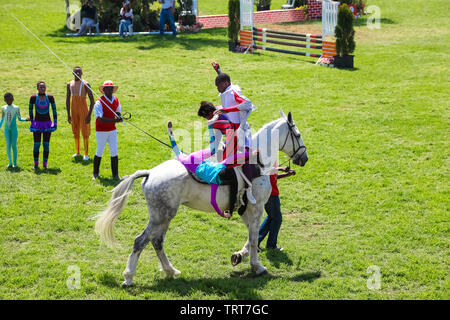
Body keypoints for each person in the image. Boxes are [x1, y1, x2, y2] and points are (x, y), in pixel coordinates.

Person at [167, 120, 250, 219]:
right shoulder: (216, 177)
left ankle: (210, 126)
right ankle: (210, 126)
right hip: (193, 158)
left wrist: (222, 214)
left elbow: (213, 202)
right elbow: (175, 148)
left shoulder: (217, 175)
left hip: (194, 159)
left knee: (213, 150)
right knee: (212, 150)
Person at [258, 163, 296, 251]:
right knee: (277, 219)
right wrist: (281, 168)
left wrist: (286, 174)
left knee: (271, 218)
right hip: (270, 194)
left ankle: (255, 242)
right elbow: (267, 170)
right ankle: (271, 245)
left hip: (271, 193)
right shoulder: (266, 159)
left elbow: (274, 176)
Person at [93, 80, 123, 180]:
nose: (110, 90)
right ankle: (95, 174)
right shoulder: (99, 102)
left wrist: (119, 117)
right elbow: (100, 118)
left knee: (114, 151)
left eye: (111, 89)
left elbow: (118, 111)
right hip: (101, 130)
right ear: (104, 90)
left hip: (112, 130)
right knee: (99, 151)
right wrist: (115, 120)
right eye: (108, 89)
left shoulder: (116, 100)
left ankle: (115, 175)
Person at [66, 66, 95, 161]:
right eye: (76, 72)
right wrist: (68, 114)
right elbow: (67, 99)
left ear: (82, 73)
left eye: (79, 72)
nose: (77, 74)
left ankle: (86, 154)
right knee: (75, 130)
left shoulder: (85, 84)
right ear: (73, 73)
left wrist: (89, 115)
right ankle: (77, 151)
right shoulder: (69, 84)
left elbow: (92, 100)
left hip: (83, 109)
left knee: (85, 131)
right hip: (74, 109)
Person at [29, 81, 57, 170]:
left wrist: (55, 123)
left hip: (47, 124)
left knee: (46, 145)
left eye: (44, 87)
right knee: (36, 145)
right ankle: (36, 164)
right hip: (37, 124)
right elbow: (30, 110)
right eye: (41, 87)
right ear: (37, 88)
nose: (42, 89)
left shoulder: (50, 97)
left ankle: (45, 165)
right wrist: (32, 121)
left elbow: (54, 110)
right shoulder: (33, 98)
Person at [0, 92, 29, 168]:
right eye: (7, 99)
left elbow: (19, 118)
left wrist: (26, 119)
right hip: (7, 129)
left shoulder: (16, 108)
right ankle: (10, 162)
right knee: (8, 145)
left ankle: (15, 163)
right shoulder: (3, 108)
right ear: (5, 100)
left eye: (10, 98)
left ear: (13, 99)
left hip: (14, 129)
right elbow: (2, 119)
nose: (9, 100)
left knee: (14, 145)